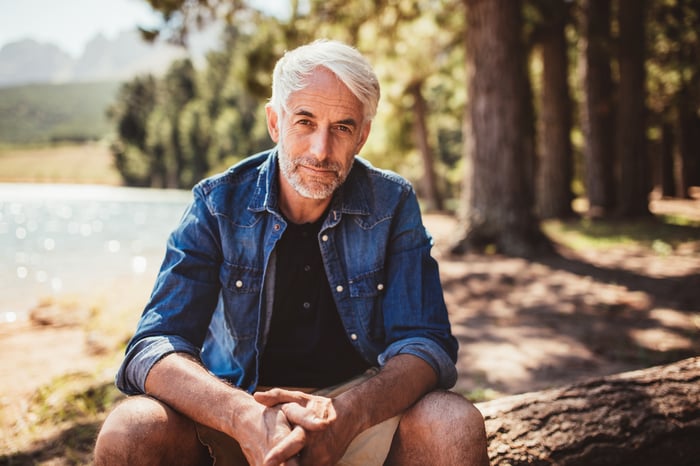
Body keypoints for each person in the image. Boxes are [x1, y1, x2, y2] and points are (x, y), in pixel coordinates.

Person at [94, 39, 489, 466]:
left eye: (342, 127)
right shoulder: (216, 204)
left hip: (357, 412)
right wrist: (244, 416)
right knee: (130, 430)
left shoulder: (391, 203)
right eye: (305, 121)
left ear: (363, 136)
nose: (321, 150)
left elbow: (425, 343)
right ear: (274, 122)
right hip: (238, 407)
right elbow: (153, 345)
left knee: (453, 423)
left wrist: (347, 416)